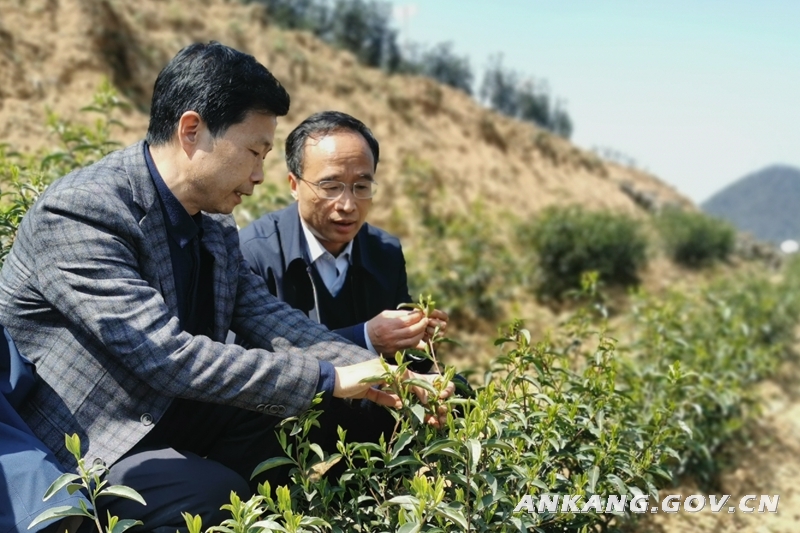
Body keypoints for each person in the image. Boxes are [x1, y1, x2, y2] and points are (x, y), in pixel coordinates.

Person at [0, 42, 452, 533]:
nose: (260, 176)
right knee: (215, 494)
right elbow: (165, 354)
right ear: (192, 130)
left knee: (299, 416)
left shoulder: (212, 224)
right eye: (254, 152)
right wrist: (327, 377)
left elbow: (271, 319)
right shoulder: (84, 212)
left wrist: (381, 375)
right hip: (85, 442)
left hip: (169, 413)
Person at [238, 111, 448, 366]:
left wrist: (418, 339)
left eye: (361, 187)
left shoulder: (385, 253)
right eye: (331, 187)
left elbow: (404, 362)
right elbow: (247, 366)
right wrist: (365, 339)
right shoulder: (254, 254)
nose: (348, 205)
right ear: (294, 185)